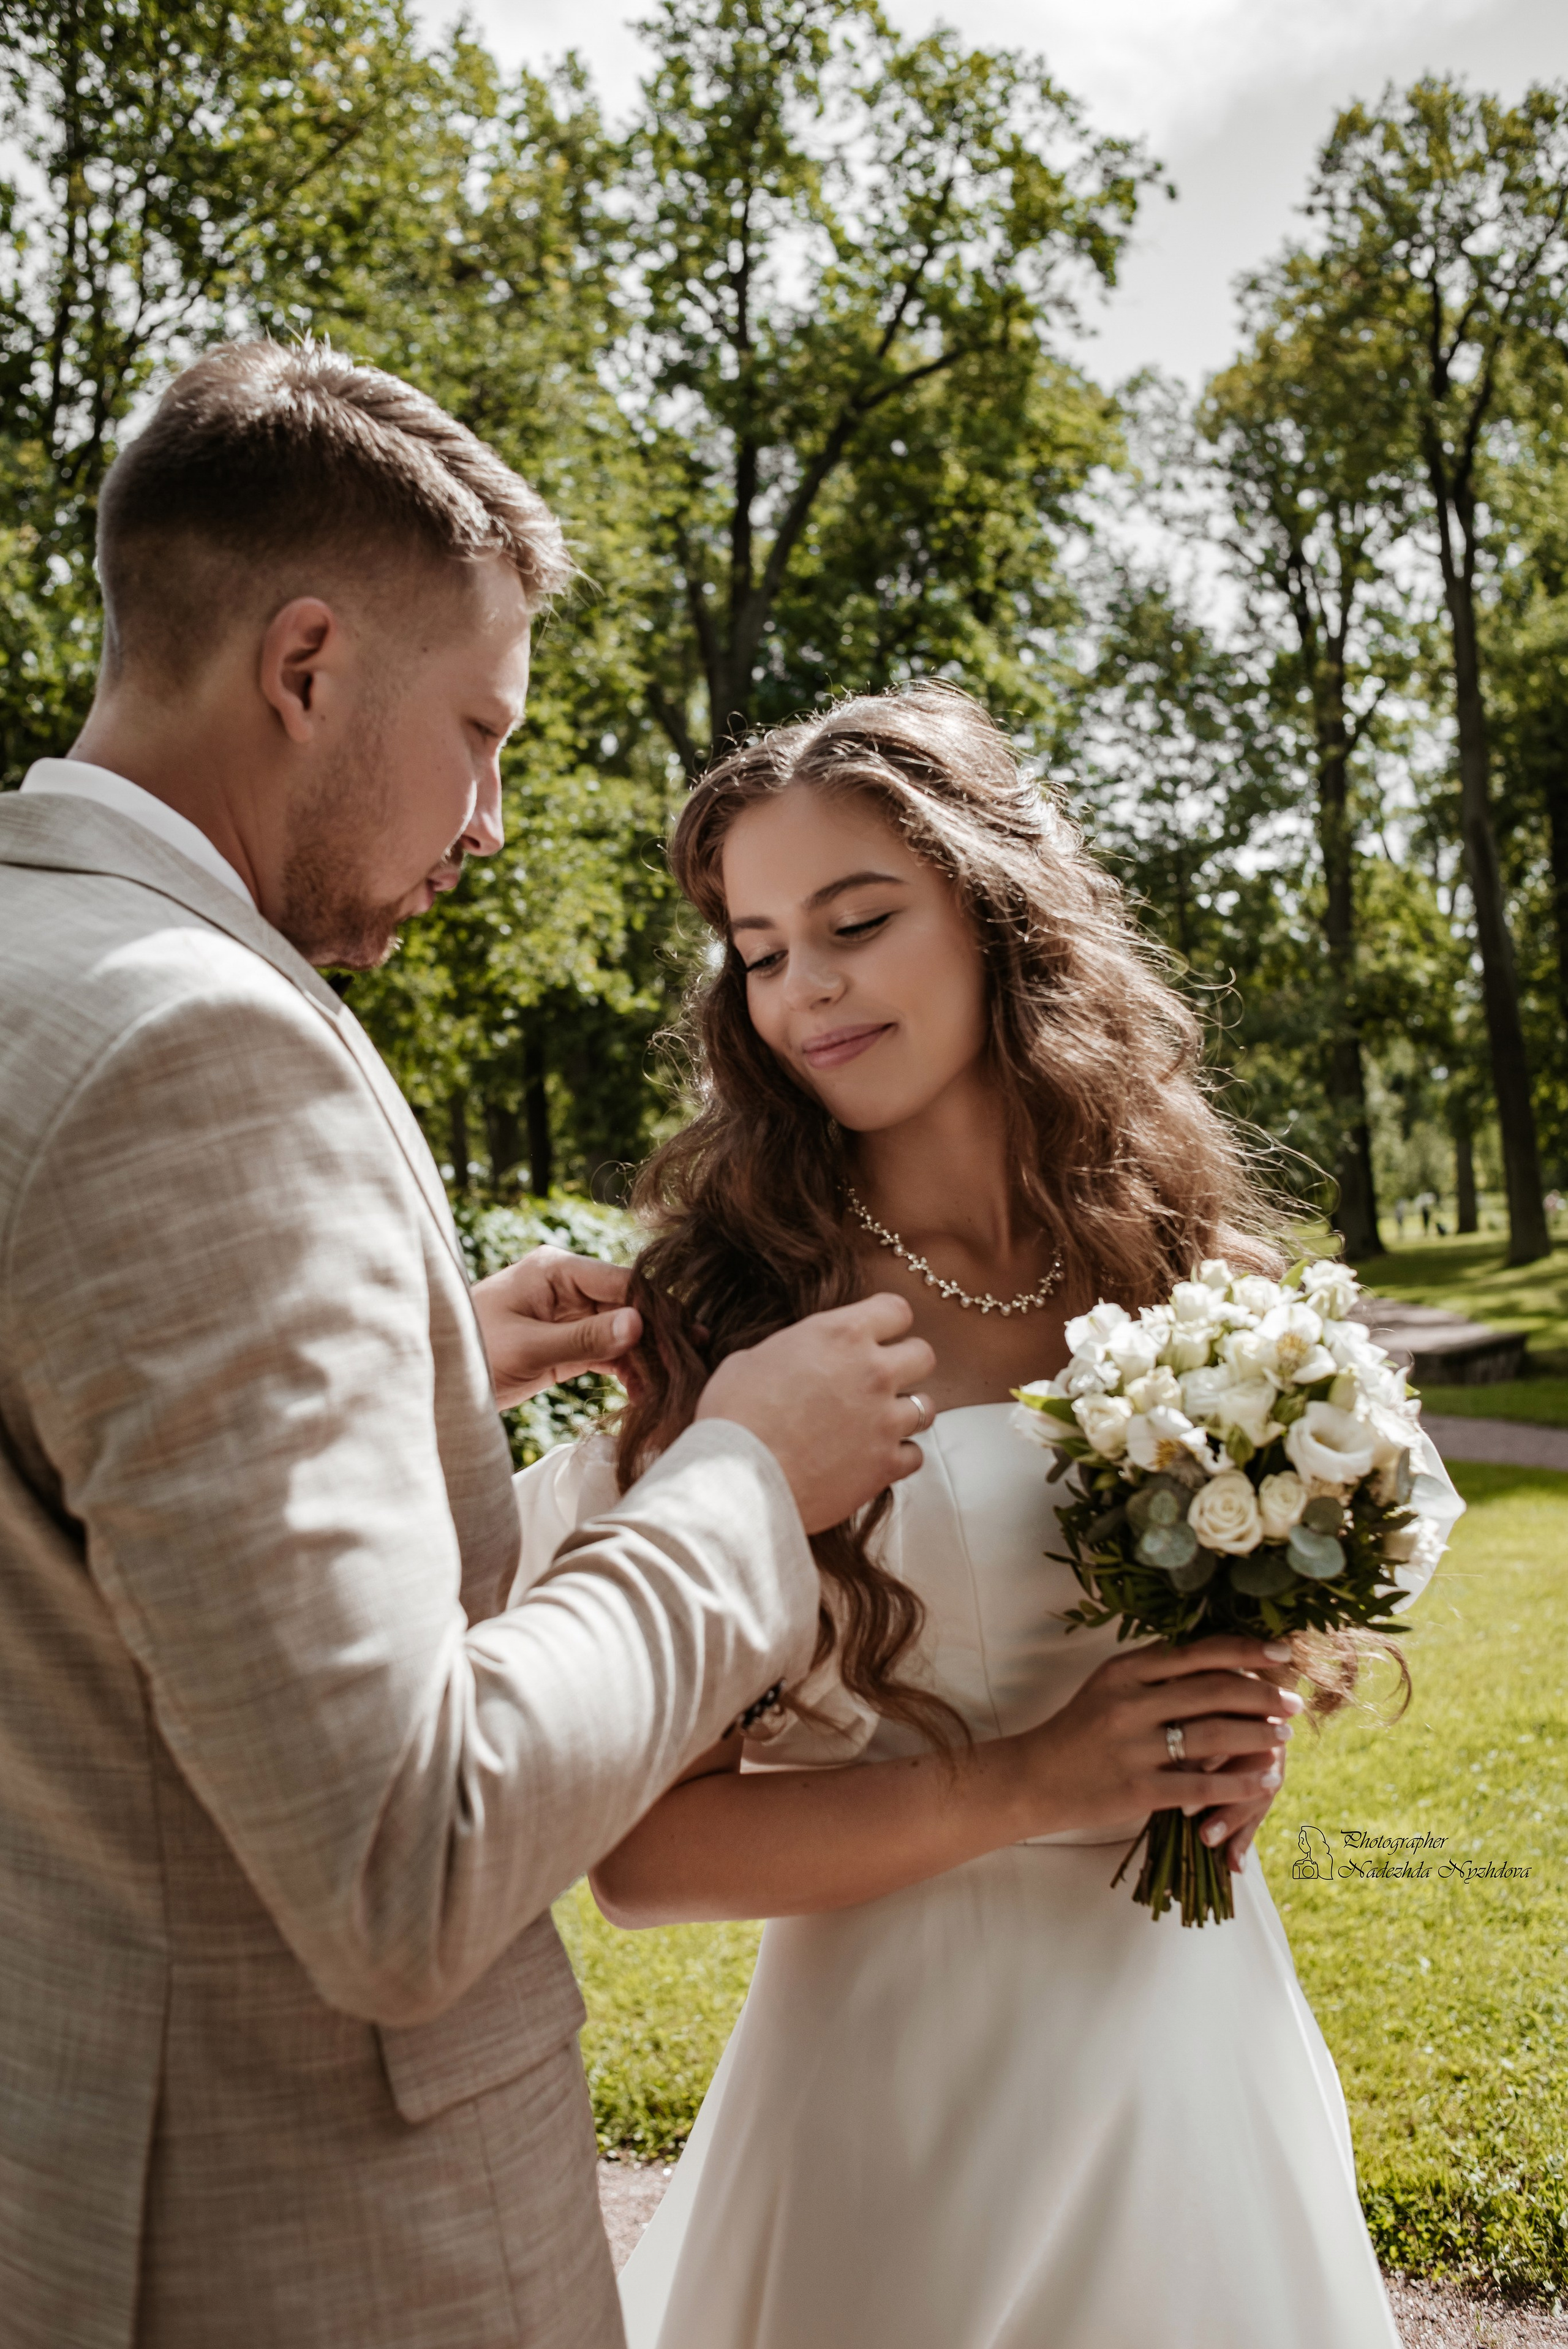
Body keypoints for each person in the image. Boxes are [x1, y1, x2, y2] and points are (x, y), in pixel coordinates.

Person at [0, 342, 941, 2349]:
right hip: (298, 2248)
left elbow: (107, 1608)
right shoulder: (200, 1046)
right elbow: (402, 1851)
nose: (494, 817)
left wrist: (445, 1374)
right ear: (310, 664)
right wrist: (744, 1480)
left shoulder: (34, 980)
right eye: (483, 730)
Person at [513, 685, 1461, 2348]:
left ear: (1000, 911)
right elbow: (645, 1857)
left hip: (1192, 2050)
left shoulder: (1191, 1277)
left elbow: (1239, 1624)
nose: (803, 985)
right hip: (898, 2098)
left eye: (856, 921)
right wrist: (1035, 1779)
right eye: (758, 945)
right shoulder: (734, 1321)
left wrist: (1230, 1728)